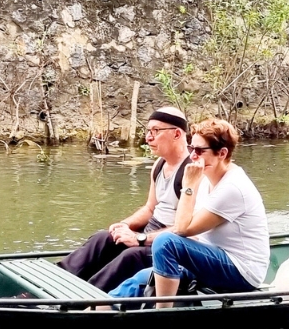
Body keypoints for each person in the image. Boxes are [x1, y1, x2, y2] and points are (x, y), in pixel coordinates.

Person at [111, 118, 270, 308]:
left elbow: (181, 229)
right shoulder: (206, 179)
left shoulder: (233, 188)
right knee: (140, 280)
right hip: (212, 256)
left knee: (166, 242)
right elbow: (188, 231)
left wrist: (188, 186)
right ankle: (91, 311)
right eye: (191, 148)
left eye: (200, 151)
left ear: (222, 153)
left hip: (242, 271)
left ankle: (161, 314)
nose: (193, 156)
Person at [57, 107, 191, 292]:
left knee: (132, 256)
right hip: (149, 233)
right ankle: (53, 280)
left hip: (168, 246)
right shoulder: (159, 165)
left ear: (176, 134)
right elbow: (150, 209)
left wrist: (140, 239)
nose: (148, 138)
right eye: (148, 131)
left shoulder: (193, 172)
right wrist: (124, 225)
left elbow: (187, 229)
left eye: (156, 131)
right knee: (103, 238)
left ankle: (83, 298)